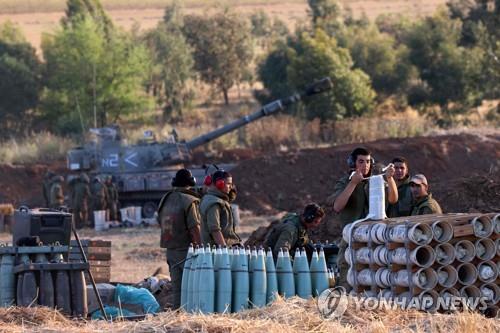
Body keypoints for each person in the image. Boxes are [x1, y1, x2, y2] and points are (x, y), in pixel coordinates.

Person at [328, 147, 398, 291]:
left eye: (367, 162)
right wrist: (353, 183)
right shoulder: (345, 182)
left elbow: (393, 199)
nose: (365, 165)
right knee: (347, 282)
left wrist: (390, 179)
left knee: (374, 282)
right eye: (361, 162)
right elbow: (337, 206)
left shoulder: (376, 181)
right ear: (353, 163)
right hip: (351, 239)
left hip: (374, 238)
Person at [157, 168, 202, 309]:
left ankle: (178, 315)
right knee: (194, 288)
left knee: (177, 289)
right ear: (191, 182)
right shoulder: (190, 200)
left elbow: (160, 221)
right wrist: (201, 248)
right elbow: (194, 228)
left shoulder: (165, 199)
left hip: (171, 250)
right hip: (186, 251)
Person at [200, 170, 241, 247]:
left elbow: (230, 197)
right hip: (218, 251)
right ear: (220, 184)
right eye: (228, 184)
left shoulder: (215, 199)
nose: (231, 187)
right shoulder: (214, 203)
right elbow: (215, 230)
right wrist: (224, 251)